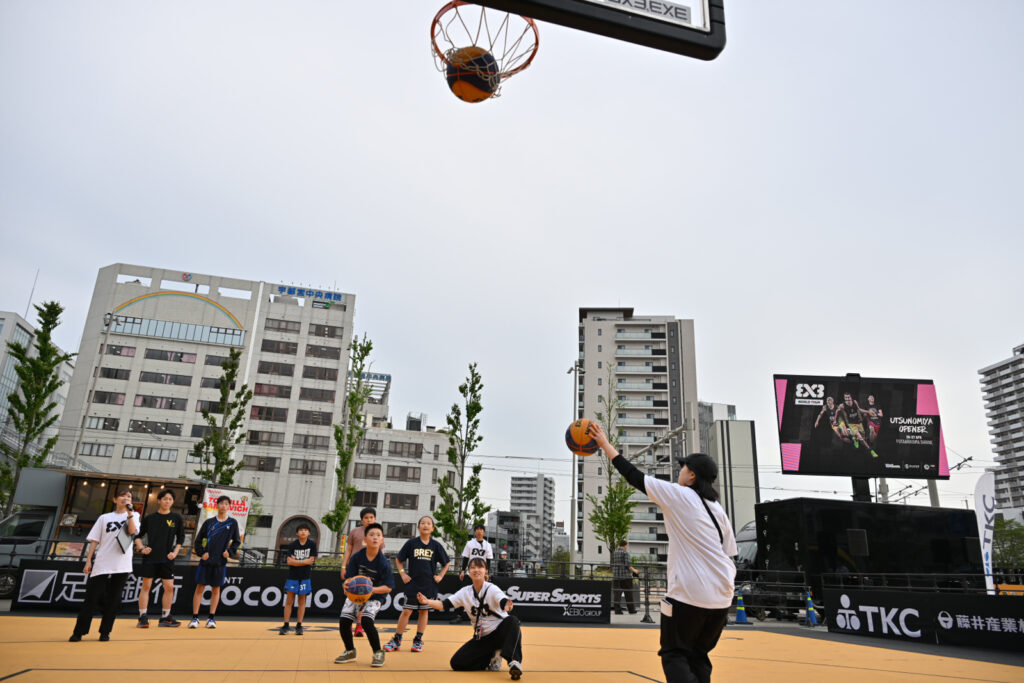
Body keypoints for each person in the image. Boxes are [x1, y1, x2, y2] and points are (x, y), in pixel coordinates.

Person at [589, 422, 737, 683]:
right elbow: (729, 553)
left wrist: (604, 444)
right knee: (699, 655)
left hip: (690, 593)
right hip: (722, 596)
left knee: (674, 653)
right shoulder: (718, 509)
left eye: (683, 467)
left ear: (692, 476)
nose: (680, 471)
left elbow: (634, 476)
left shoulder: (680, 495)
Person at [417, 556, 523, 680]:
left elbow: (502, 600)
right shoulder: (465, 592)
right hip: (483, 637)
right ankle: (491, 657)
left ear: (486, 571)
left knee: (512, 621)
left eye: (480, 567)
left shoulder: (492, 588)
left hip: (500, 633)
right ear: (468, 571)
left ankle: (514, 662)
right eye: (473, 567)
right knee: (457, 663)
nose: (476, 570)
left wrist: (506, 605)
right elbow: (443, 605)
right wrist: (427, 602)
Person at [69, 488, 140, 642]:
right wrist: (89, 560)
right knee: (91, 598)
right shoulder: (104, 517)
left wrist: (130, 514)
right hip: (102, 561)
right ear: (115, 499)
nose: (126, 498)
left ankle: (105, 632)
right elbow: (95, 540)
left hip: (122, 563)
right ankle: (79, 632)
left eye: (129, 496)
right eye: (122, 496)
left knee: (114, 599)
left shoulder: (134, 516)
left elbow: (132, 531)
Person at [383, 515, 450, 653]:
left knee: (424, 611)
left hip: (429, 585)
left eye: (428, 523)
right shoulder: (411, 543)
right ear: (418, 527)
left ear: (433, 528)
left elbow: (447, 562)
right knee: (406, 611)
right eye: (423, 523)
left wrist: (440, 576)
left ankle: (418, 640)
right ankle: (397, 639)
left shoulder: (436, 545)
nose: (425, 525)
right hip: (413, 584)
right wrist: (402, 574)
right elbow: (399, 559)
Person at [335, 522, 394, 667]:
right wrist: (346, 584)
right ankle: (350, 651)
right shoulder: (357, 557)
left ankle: (378, 652)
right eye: (371, 535)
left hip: (375, 596)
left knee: (367, 621)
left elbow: (388, 588)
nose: (375, 537)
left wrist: (370, 589)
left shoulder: (384, 563)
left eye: (378, 535)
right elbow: (349, 579)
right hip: (355, 595)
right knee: (344, 621)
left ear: (382, 540)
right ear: (364, 540)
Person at [189, 495, 241, 629]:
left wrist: (229, 552)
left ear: (229, 506)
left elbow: (237, 541)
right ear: (217, 505)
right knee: (200, 588)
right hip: (206, 562)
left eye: (226, 504)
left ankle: (211, 618)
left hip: (220, 562)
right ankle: (195, 618)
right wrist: (202, 553)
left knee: (216, 589)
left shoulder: (232, 523)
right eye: (221, 503)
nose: (224, 506)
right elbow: (198, 541)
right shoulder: (209, 522)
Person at [135, 488, 184, 628]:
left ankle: (165, 617)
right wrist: (142, 548)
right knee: (146, 586)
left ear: (172, 502)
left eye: (170, 499)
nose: (167, 501)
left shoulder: (176, 518)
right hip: (150, 557)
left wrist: (175, 553)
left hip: (167, 558)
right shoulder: (149, 518)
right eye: (165, 499)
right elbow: (137, 536)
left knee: (169, 587)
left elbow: (180, 538)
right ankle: (142, 617)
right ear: (159, 500)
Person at [343, 507, 385, 637]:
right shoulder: (355, 532)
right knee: (351, 596)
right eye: (366, 518)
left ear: (375, 519)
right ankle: (348, 622)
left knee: (364, 597)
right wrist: (343, 566)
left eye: (371, 517)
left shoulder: (377, 533)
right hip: (355, 569)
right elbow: (348, 549)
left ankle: (359, 625)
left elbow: (381, 553)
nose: (369, 520)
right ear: (362, 520)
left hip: (370, 571)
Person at [279, 522, 317, 635]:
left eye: (305, 530)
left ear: (309, 533)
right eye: (301, 530)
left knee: (302, 601)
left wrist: (297, 561)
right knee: (289, 601)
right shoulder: (293, 545)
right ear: (297, 533)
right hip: (293, 576)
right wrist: (303, 561)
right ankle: (286, 625)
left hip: (305, 576)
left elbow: (311, 561)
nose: (303, 532)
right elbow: (289, 561)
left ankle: (299, 625)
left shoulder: (312, 544)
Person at [456, 523, 494, 621]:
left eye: (481, 529)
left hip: (481, 574)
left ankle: (483, 615)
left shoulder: (488, 545)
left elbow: (488, 560)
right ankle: (459, 615)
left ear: (484, 532)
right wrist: (462, 571)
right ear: (475, 531)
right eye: (477, 529)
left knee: (483, 595)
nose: (479, 531)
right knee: (464, 593)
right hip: (470, 572)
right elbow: (465, 558)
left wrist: (487, 573)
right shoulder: (470, 543)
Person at [836, 392, 878, 457]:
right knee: (861, 438)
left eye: (848, 397)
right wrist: (835, 420)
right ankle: (871, 451)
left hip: (858, 422)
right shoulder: (842, 405)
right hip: (851, 424)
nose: (847, 399)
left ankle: (855, 439)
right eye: (846, 397)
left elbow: (859, 410)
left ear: (851, 397)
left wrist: (868, 412)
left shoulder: (855, 402)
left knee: (863, 438)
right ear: (844, 398)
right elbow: (837, 412)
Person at [611, 540, 639, 615]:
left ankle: (617, 610)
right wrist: (635, 570)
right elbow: (628, 565)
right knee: (629, 593)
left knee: (617, 594)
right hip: (625, 576)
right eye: (627, 545)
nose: (627, 547)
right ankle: (631, 610)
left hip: (616, 576)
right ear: (625, 545)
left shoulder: (615, 552)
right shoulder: (625, 553)